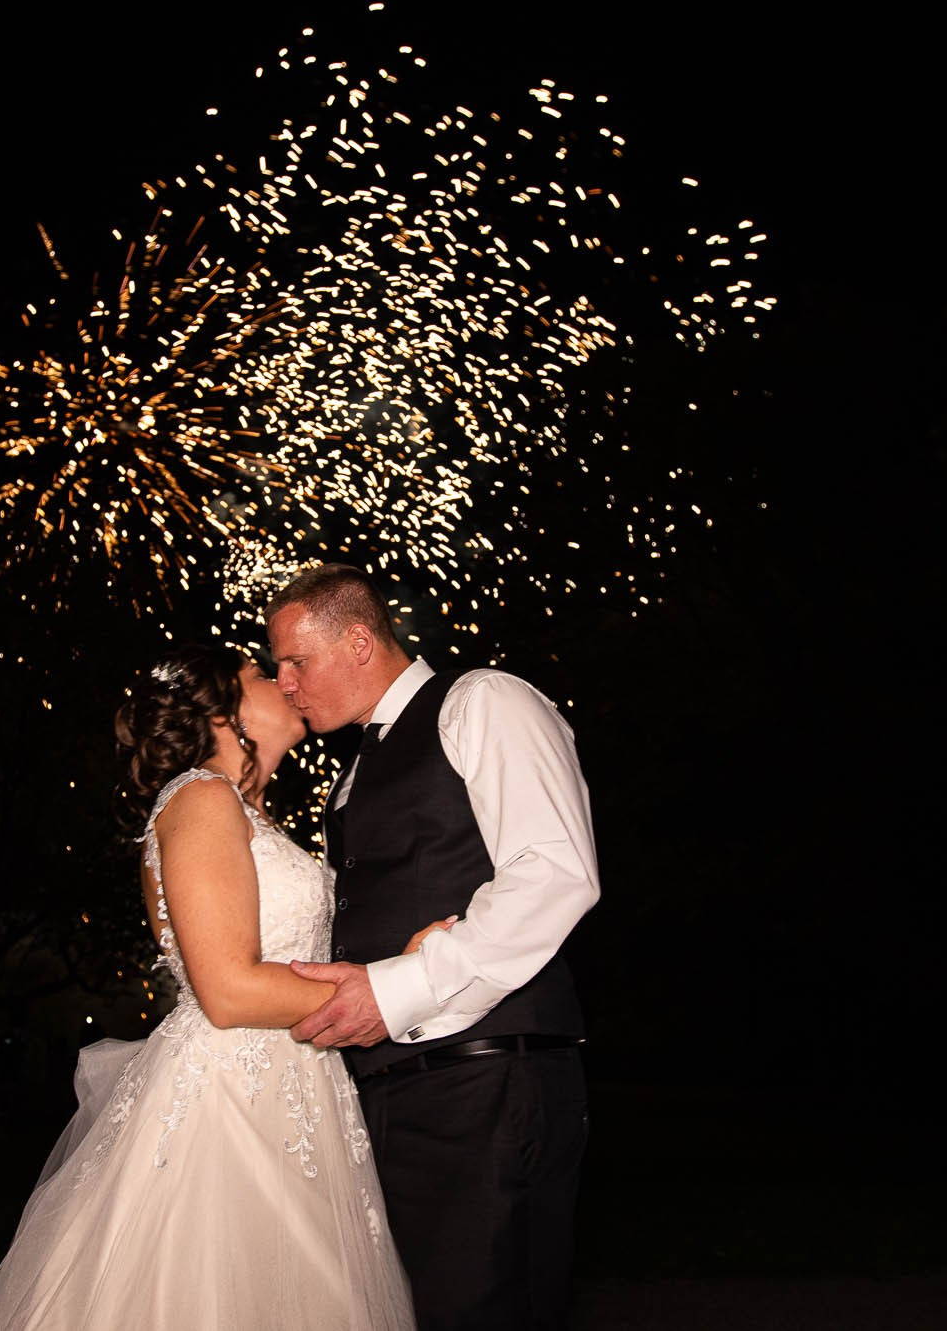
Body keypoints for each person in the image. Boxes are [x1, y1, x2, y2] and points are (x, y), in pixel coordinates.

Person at [0, 645, 422, 1331]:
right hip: (231, 1105)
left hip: (291, 1094)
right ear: (217, 709)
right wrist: (390, 986)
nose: (285, 681)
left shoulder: (242, 811)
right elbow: (227, 989)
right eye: (263, 673)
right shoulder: (201, 798)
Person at [267, 565, 598, 1331]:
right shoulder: (350, 777)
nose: (284, 682)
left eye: (296, 660)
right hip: (387, 1095)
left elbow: (555, 873)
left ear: (358, 639)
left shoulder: (483, 700)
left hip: (485, 1081)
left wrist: (402, 985)